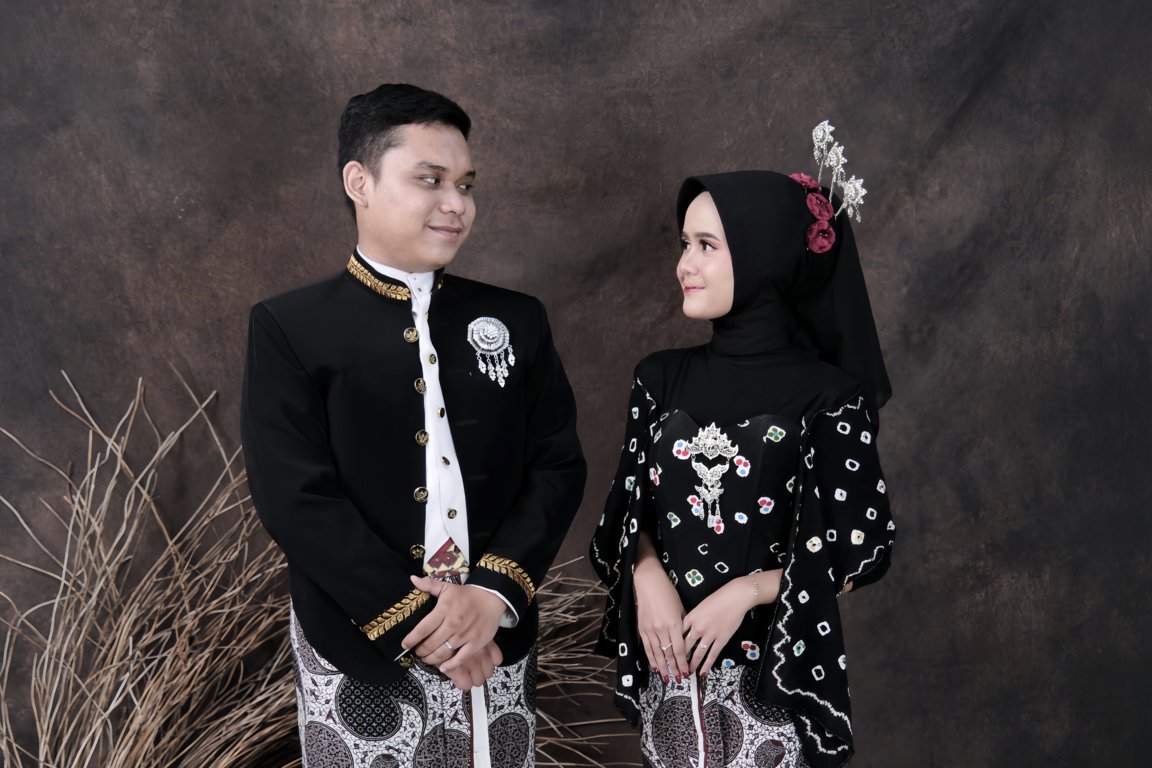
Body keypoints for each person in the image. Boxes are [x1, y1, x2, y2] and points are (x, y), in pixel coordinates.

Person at [242, 83, 586, 768]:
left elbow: (557, 465)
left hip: (495, 631)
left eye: (466, 184)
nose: (456, 204)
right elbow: (294, 496)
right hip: (357, 636)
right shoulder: (290, 326)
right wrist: (425, 624)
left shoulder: (517, 319)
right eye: (430, 180)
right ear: (359, 182)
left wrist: (491, 593)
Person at [590, 165, 895, 767]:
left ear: (765, 258)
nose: (685, 264)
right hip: (670, 681)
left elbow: (860, 552)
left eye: (707, 245)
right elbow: (626, 514)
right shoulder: (658, 379)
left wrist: (745, 593)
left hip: (771, 685)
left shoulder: (829, 396)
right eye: (684, 244)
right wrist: (646, 576)